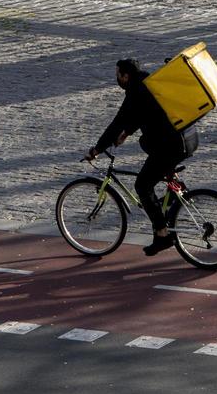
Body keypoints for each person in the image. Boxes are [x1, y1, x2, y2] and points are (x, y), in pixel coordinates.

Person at [85, 58, 199, 255]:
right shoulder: (149, 83)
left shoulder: (135, 93)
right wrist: (126, 133)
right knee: (150, 148)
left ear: (126, 76)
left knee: (142, 186)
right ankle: (176, 188)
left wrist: (97, 149)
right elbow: (143, 114)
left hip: (171, 145)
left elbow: (117, 122)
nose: (117, 78)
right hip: (188, 138)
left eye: (118, 75)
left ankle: (162, 235)